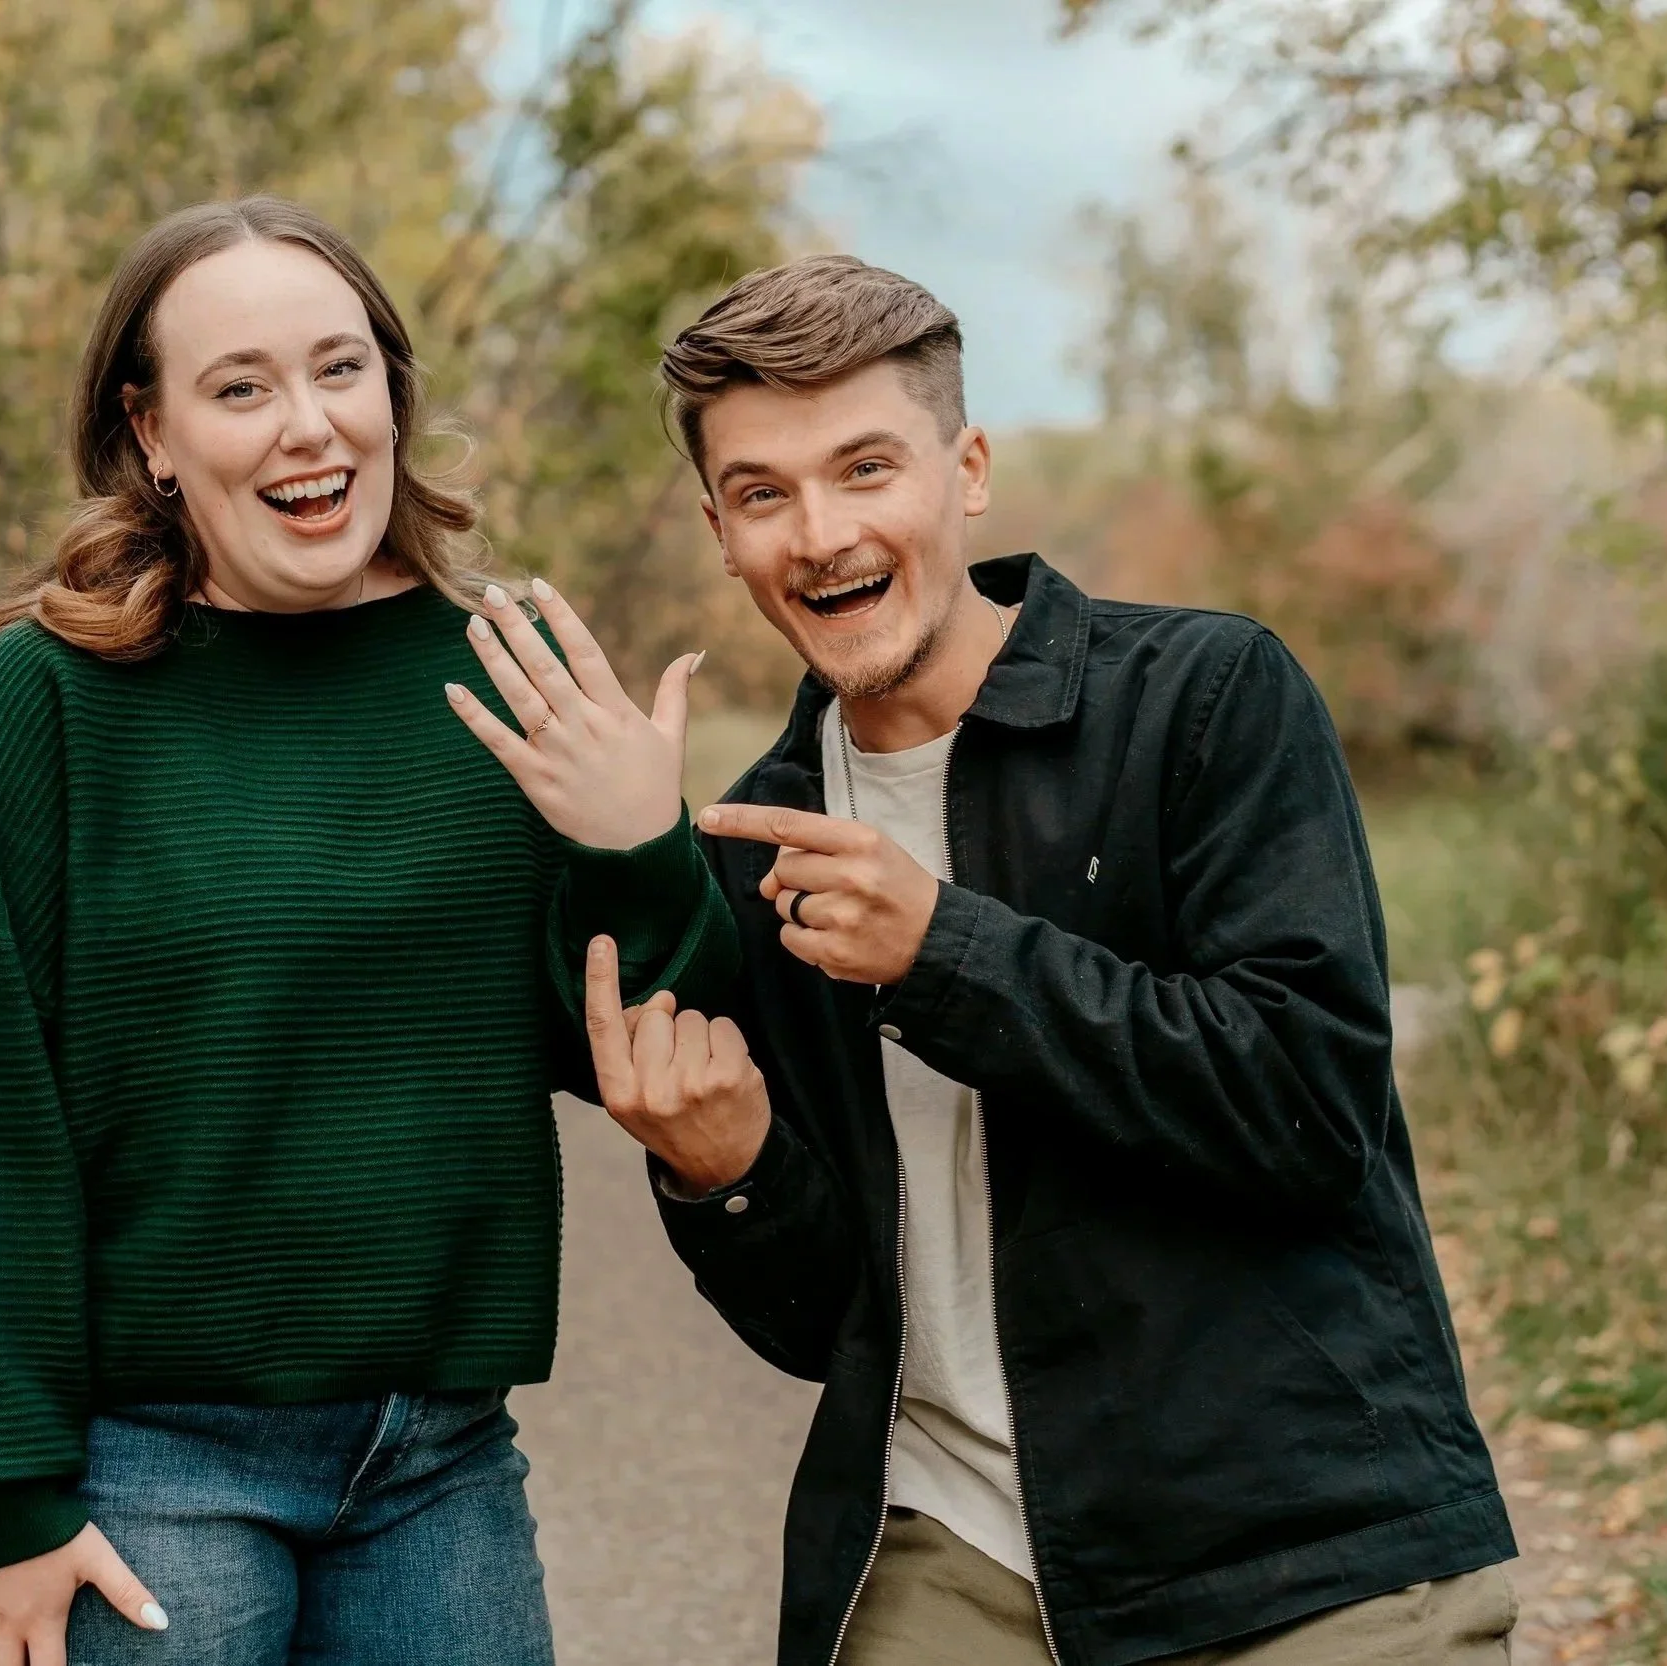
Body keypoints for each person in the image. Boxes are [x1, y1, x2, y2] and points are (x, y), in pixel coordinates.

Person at [0, 194, 735, 1666]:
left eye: (339, 369)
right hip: (128, 1458)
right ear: (153, 436)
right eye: (240, 388)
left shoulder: (499, 679)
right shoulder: (46, 706)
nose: (307, 427)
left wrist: (641, 844)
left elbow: (665, 1053)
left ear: (391, 389)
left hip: (433, 1464)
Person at [576, 256, 1518, 1666]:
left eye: (866, 467)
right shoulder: (760, 849)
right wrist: (729, 1169)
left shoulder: (1205, 699)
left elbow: (1313, 1109)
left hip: (1295, 1548)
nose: (820, 532)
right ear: (722, 530)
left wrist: (942, 951)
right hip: (951, 1551)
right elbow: (822, 1322)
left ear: (965, 469)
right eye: (765, 493)